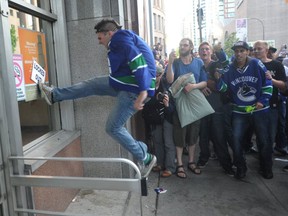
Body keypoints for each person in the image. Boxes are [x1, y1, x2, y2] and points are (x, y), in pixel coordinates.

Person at [39, 18, 157, 177]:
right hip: (126, 83)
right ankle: (54, 95)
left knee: (113, 128)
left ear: (109, 33)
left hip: (134, 90)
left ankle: (145, 157)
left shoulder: (119, 38)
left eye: (100, 38)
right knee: (92, 85)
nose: (99, 42)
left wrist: (142, 92)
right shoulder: (123, 37)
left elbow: (138, 61)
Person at [215, 41, 273, 179]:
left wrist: (262, 100)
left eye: (242, 50)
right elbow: (223, 89)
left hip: (259, 110)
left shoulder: (256, 64)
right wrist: (218, 79)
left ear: (247, 51)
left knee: (264, 140)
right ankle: (241, 168)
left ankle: (266, 168)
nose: (239, 53)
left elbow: (268, 83)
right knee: (236, 139)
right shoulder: (229, 69)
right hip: (239, 111)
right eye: (236, 51)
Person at [166, 38, 207, 178]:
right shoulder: (176, 63)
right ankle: (179, 164)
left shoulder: (198, 62)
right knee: (179, 135)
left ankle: (191, 162)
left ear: (191, 47)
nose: (182, 47)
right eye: (180, 45)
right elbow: (170, 80)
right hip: (180, 103)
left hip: (195, 103)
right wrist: (170, 62)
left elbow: (204, 82)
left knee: (193, 134)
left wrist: (193, 86)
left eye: (185, 45)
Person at [196, 42, 234, 176]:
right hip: (201, 107)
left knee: (219, 137)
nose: (204, 51)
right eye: (202, 49)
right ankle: (203, 158)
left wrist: (209, 83)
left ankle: (227, 165)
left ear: (211, 52)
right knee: (203, 136)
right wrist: (201, 86)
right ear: (199, 52)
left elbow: (222, 87)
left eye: (207, 49)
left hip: (217, 106)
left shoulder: (216, 65)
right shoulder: (197, 66)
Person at [253, 41, 287, 156]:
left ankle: (266, 163)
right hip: (255, 106)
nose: (256, 51)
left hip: (272, 106)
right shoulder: (251, 65)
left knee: (270, 136)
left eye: (259, 48)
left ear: (266, 51)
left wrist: (271, 79)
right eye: (254, 49)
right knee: (259, 135)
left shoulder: (276, 65)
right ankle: (262, 158)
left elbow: (283, 86)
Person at [142, 65, 176, 177]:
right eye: (153, 75)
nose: (155, 77)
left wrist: (166, 104)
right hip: (155, 118)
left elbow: (172, 109)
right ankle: (160, 163)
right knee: (157, 141)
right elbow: (145, 105)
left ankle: (170, 167)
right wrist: (155, 99)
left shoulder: (167, 86)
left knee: (168, 142)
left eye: (158, 75)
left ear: (161, 75)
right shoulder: (147, 86)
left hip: (167, 117)